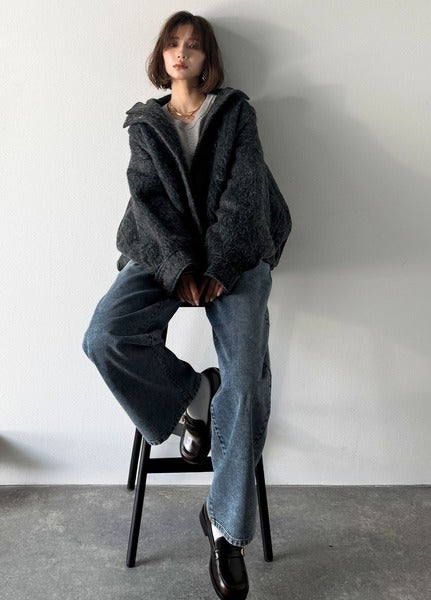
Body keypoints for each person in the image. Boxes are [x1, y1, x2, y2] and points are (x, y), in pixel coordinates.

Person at [82, 10, 291, 600]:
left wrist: (218, 267)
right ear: (161, 56)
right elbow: (148, 204)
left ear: (207, 59)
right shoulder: (145, 124)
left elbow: (245, 195)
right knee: (105, 336)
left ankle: (226, 530)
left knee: (245, 381)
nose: (181, 53)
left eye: (193, 46)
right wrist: (178, 269)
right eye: (172, 44)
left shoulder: (236, 112)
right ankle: (194, 396)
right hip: (160, 252)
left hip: (237, 254)